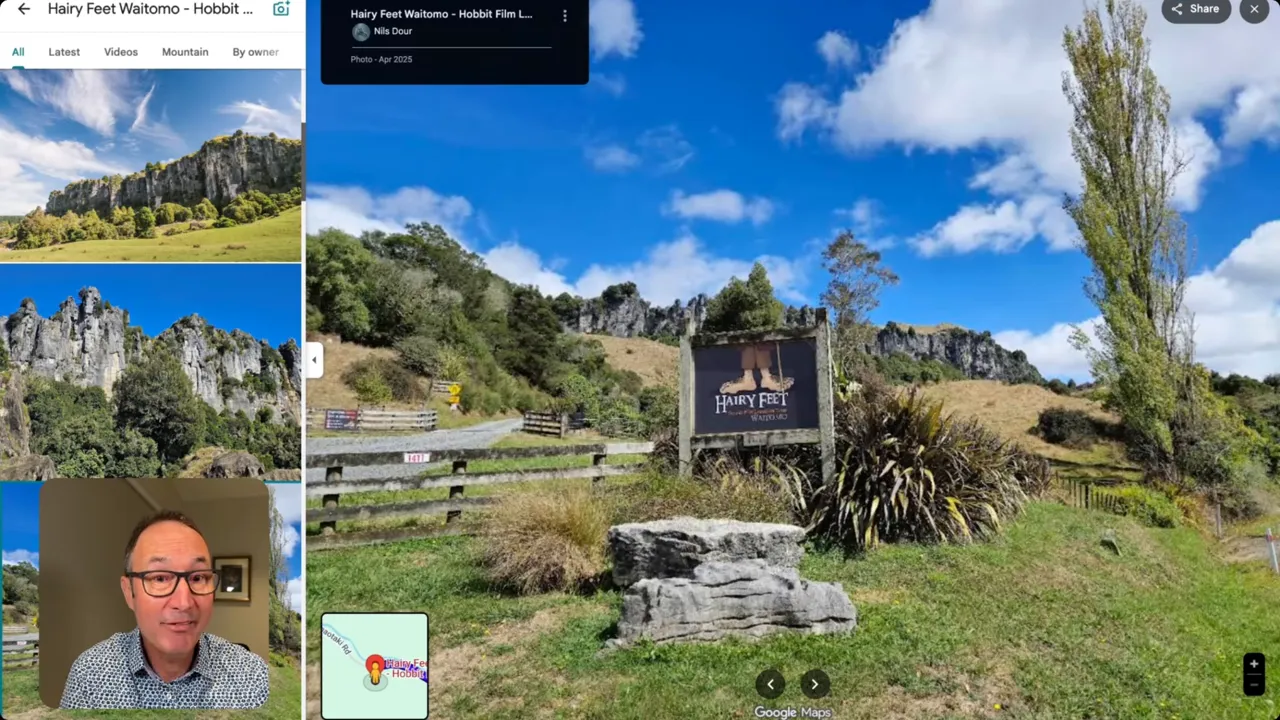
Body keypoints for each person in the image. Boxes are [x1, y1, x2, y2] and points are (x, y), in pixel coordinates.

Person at [59, 510, 270, 709]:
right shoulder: (90, 676)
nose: (184, 602)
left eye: (198, 577)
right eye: (160, 578)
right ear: (128, 592)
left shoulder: (252, 678)